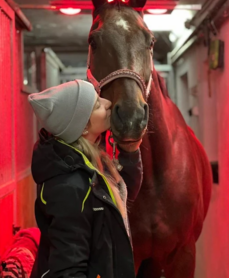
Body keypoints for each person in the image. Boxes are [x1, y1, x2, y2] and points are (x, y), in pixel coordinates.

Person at [28, 79, 143, 278]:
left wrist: (130, 152)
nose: (107, 102)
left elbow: (121, 195)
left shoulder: (88, 161)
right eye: (97, 105)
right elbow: (69, 271)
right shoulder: (68, 188)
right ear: (82, 127)